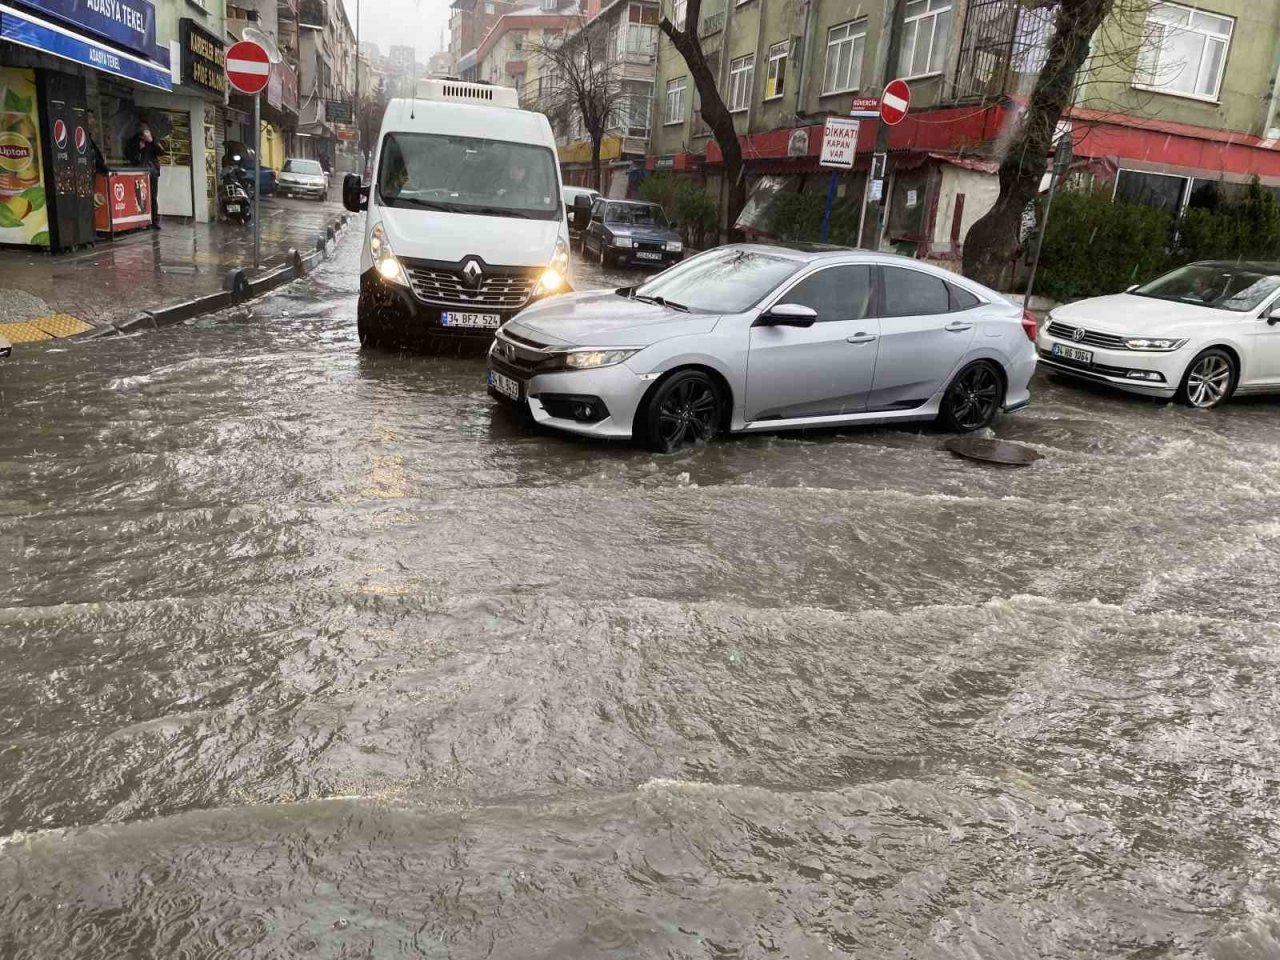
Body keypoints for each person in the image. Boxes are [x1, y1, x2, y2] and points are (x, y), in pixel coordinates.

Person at [126, 123, 166, 230]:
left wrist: (152, 141)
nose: (144, 136)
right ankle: (140, 221)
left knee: (152, 197)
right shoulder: (134, 142)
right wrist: (139, 149)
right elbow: (130, 156)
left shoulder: (153, 141)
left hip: (152, 173)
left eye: (146, 133)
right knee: (139, 197)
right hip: (139, 173)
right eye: (142, 134)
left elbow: (162, 151)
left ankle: (154, 220)